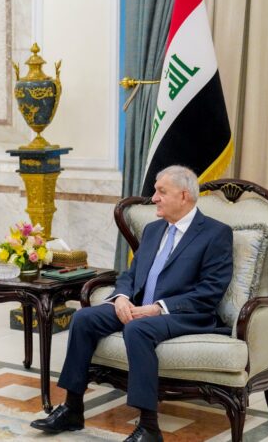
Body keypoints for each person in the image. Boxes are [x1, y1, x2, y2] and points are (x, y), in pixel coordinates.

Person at [31, 165, 233, 442]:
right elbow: (131, 274)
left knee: (138, 329)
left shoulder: (215, 233)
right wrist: (122, 297)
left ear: (184, 195)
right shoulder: (153, 229)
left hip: (184, 313)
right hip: (137, 306)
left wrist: (158, 308)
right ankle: (72, 409)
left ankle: (149, 428)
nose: (154, 198)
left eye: (161, 191)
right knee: (83, 318)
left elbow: (210, 291)